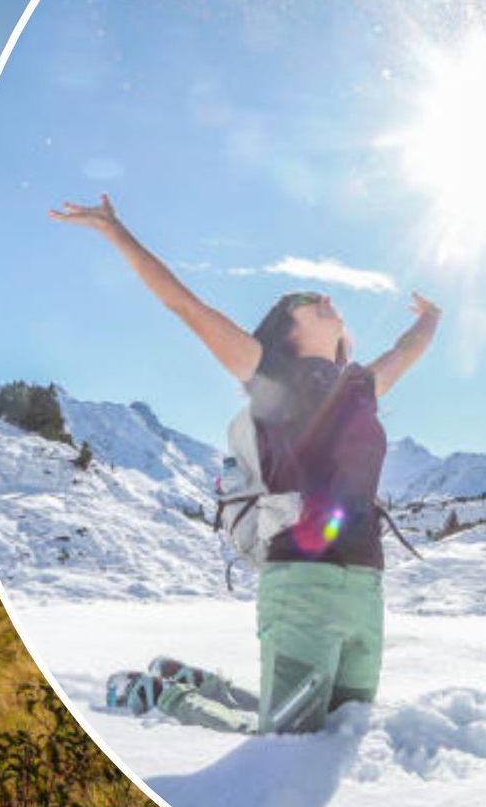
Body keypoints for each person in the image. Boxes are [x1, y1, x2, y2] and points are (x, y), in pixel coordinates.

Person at [49, 193, 441, 734]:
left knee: (342, 728)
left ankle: (202, 684)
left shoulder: (359, 387)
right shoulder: (269, 374)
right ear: (285, 330)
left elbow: (408, 350)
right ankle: (161, 695)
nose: (325, 296)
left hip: (366, 585)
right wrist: (116, 231)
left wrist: (432, 317)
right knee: (289, 737)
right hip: (302, 581)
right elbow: (187, 308)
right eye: (306, 298)